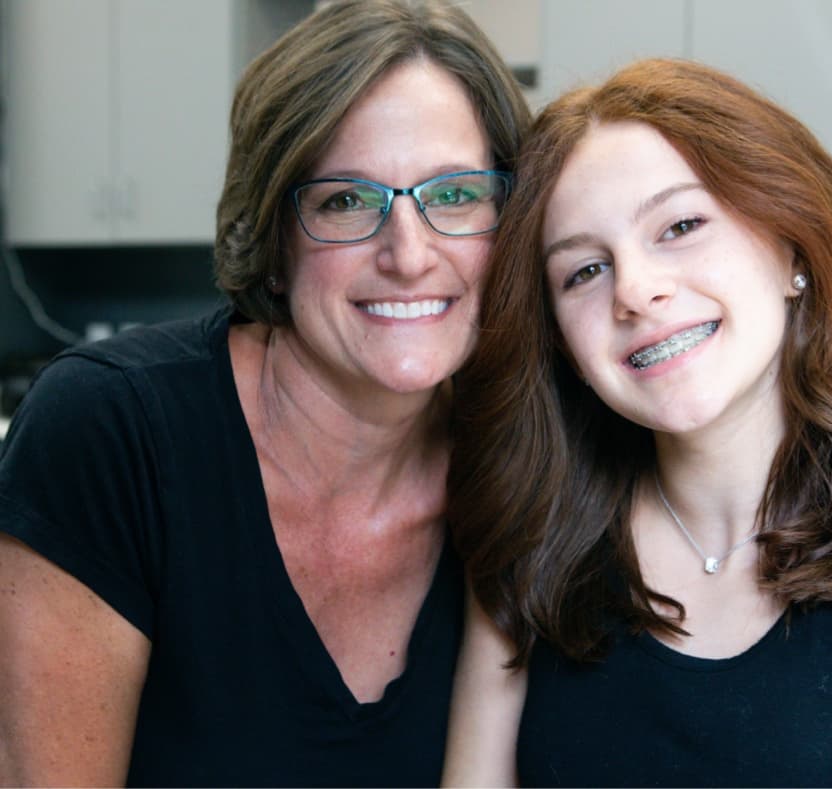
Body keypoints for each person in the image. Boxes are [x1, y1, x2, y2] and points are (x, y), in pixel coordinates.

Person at [0, 1, 530, 785]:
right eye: (346, 200)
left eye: (454, 194)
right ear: (274, 243)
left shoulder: (527, 465)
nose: (409, 256)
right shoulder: (111, 433)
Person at [442, 58, 832, 787]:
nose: (637, 290)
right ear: (563, 346)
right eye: (584, 271)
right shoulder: (532, 553)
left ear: (792, 247)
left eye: (680, 225)